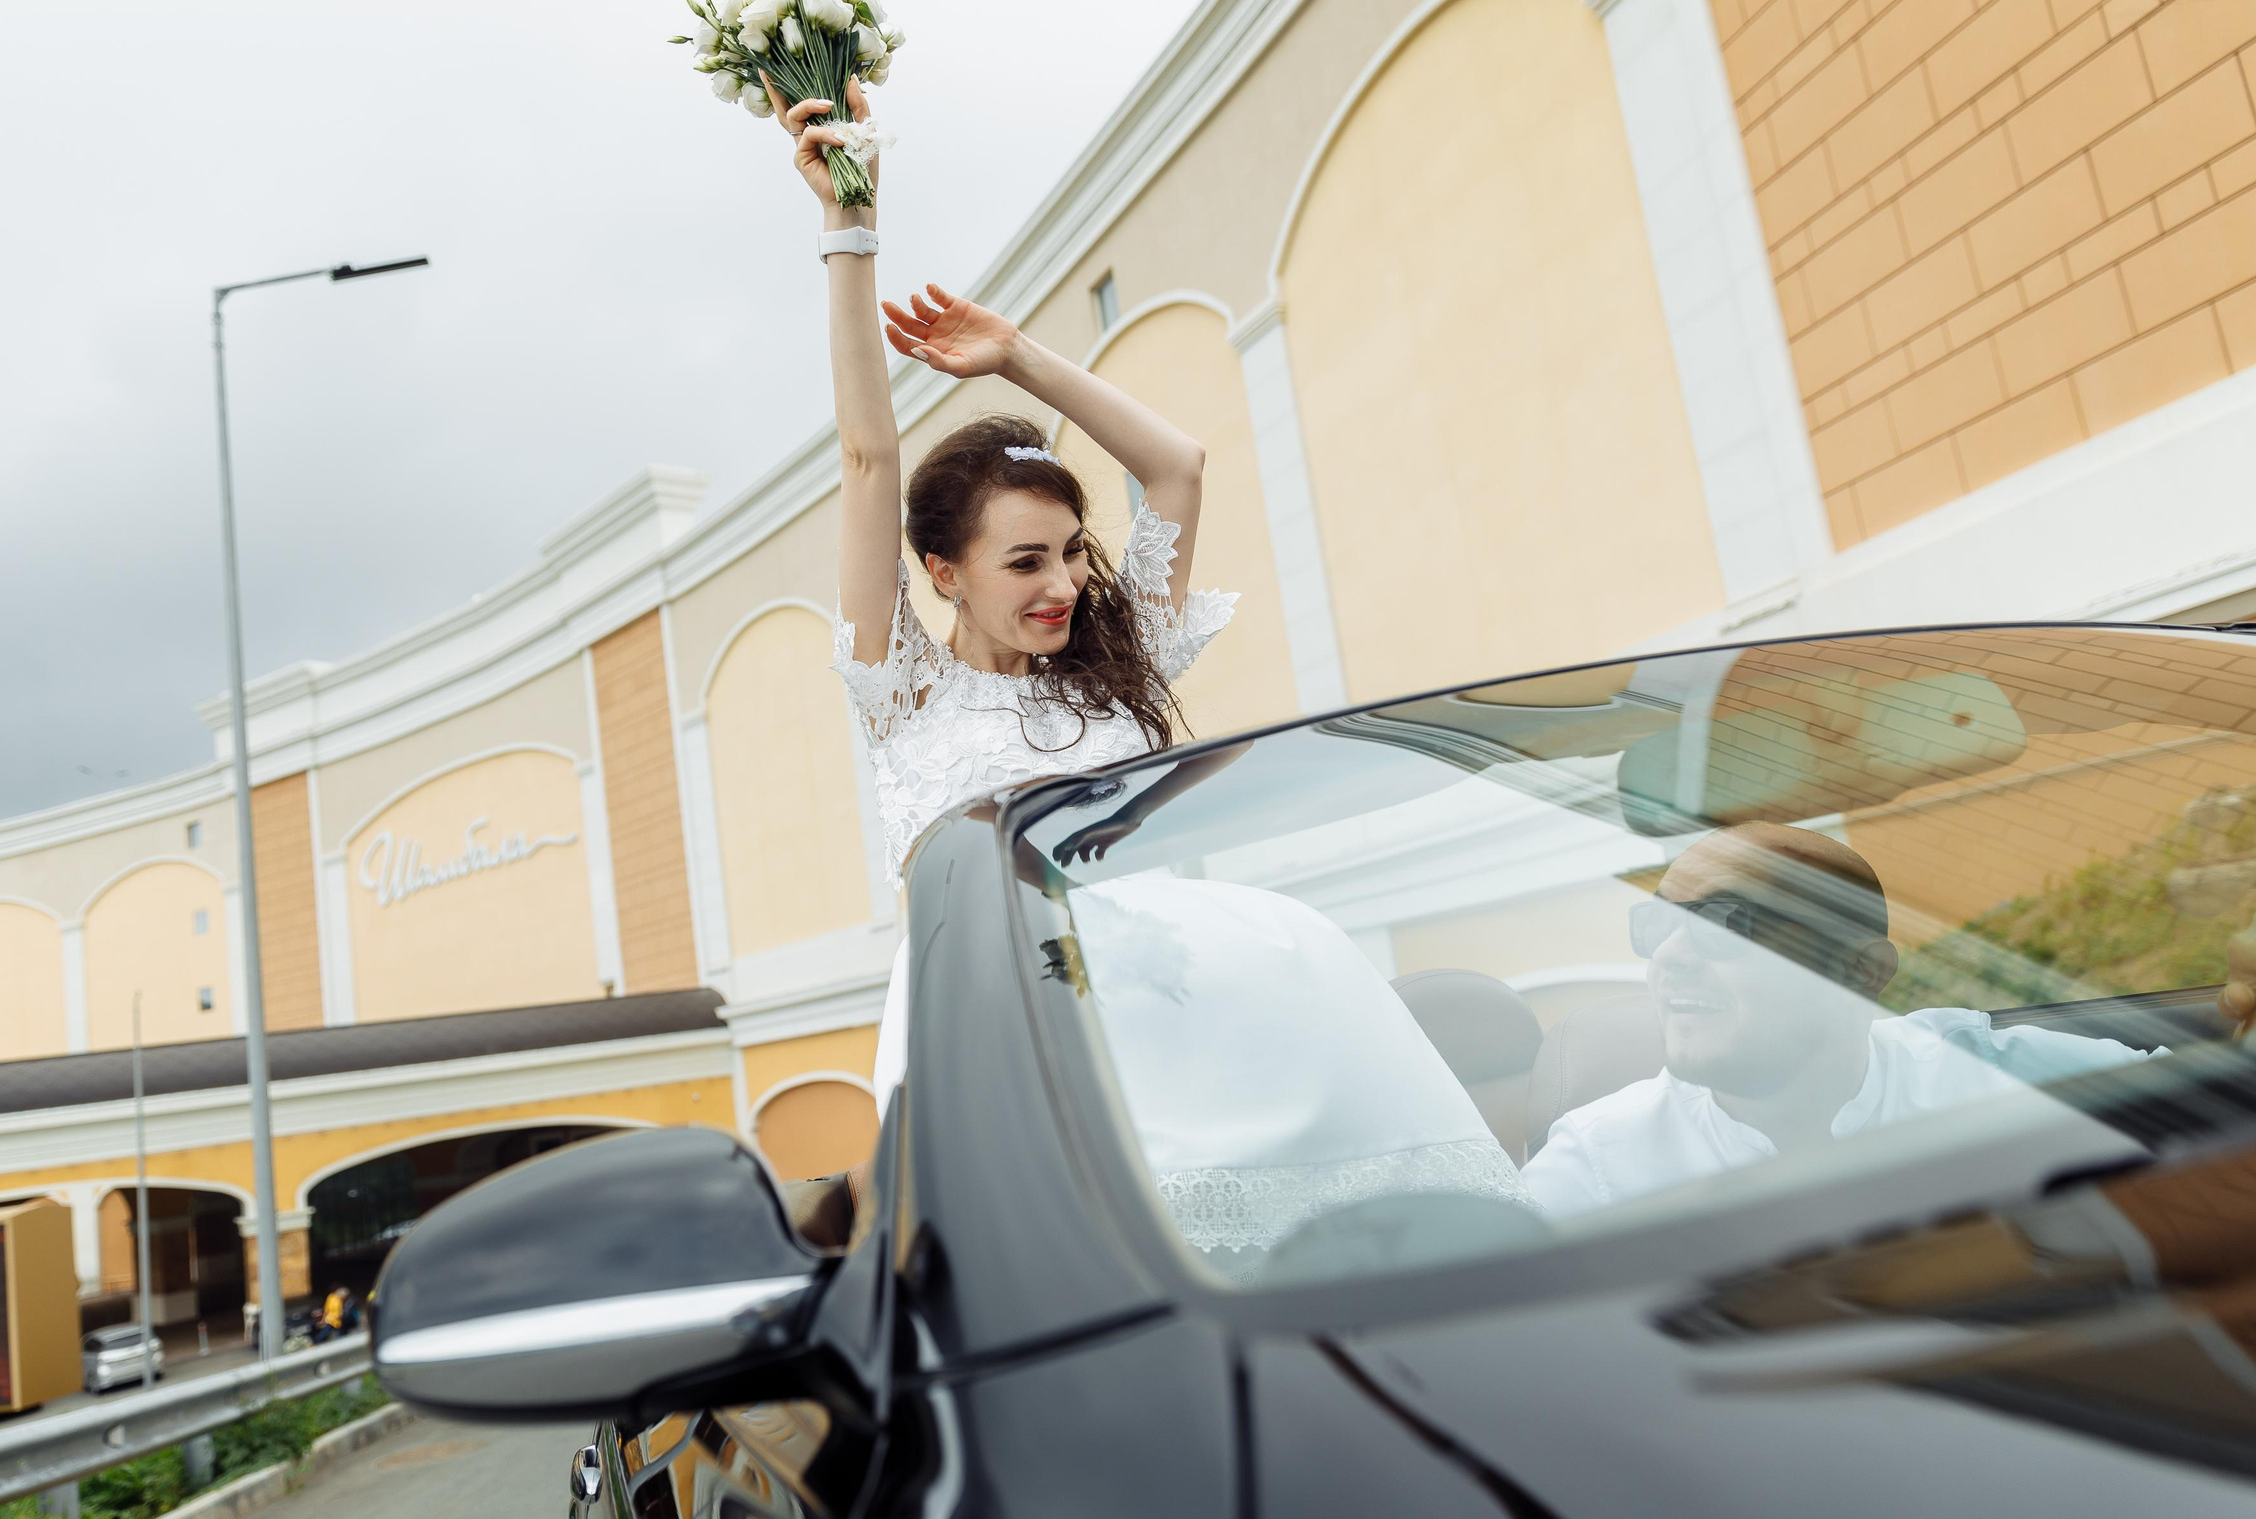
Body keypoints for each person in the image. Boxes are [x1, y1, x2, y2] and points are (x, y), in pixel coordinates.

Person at [774, 79, 1529, 1271]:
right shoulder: (903, 690)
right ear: (942, 573)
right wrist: (849, 227)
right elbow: (870, 459)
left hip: (1200, 1012)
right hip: (1005, 1024)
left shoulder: (1112, 668)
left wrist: (1017, 358)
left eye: (1074, 551)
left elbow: (1176, 466)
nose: (1065, 585)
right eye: (1025, 561)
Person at [1523, 824, 2163, 1219]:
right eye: (1658, 924)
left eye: (1725, 924)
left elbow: (2204, 1107)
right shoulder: (1599, 1165)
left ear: (1861, 971)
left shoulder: (1981, 1067)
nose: (1669, 955)